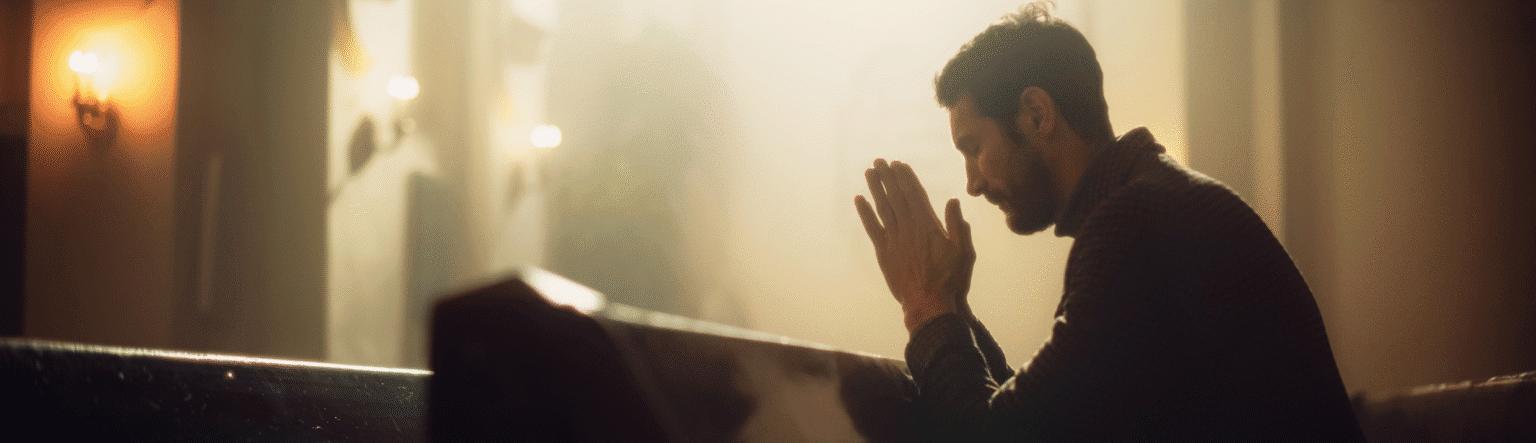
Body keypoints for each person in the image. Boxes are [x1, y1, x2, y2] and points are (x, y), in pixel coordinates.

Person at [852, 3, 1361, 440]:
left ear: (1036, 114)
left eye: (973, 148)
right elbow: (1051, 426)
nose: (972, 184)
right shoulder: (1157, 202)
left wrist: (925, 306)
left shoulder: (1134, 224)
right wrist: (955, 308)